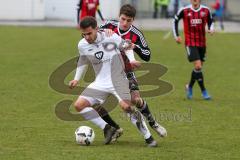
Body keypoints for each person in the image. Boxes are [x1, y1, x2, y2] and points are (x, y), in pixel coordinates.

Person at [69, 16, 157, 147]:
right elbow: (82, 61)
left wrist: (131, 60)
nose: (86, 37)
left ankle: (148, 137)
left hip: (118, 80)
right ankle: (108, 128)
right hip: (100, 82)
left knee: (127, 107)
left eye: (89, 33)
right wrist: (76, 79)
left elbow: (126, 46)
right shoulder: (82, 44)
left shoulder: (110, 37)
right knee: (79, 105)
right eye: (84, 34)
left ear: (96, 29)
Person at [98, 4, 167, 140]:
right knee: (96, 103)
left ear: (133, 20)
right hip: (106, 72)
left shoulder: (136, 34)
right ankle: (115, 128)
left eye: (128, 20)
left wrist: (135, 46)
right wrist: (103, 33)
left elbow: (147, 55)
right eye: (123, 19)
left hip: (127, 71)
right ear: (119, 16)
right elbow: (93, 37)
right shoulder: (109, 26)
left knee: (135, 100)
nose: (125, 23)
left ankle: (153, 123)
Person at [172, 0, 214, 100]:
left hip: (202, 43)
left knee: (198, 69)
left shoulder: (206, 10)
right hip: (190, 43)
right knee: (198, 65)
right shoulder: (184, 10)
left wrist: (211, 28)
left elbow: (211, 22)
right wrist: (176, 36)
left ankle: (189, 87)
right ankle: (204, 91)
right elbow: (175, 21)